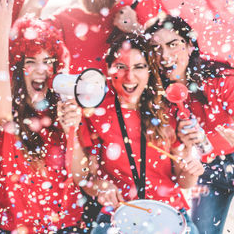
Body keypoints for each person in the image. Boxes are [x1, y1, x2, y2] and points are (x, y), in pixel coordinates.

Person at [0, 0, 84, 232]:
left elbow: (80, 176)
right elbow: (3, 108)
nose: (41, 70)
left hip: (66, 227)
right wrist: (1, 32)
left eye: (48, 61)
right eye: (31, 61)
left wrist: (74, 129)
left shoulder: (64, 107)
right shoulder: (6, 112)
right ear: (17, 68)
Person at [76, 34, 203, 233]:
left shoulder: (169, 110)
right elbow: (88, 178)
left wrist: (190, 169)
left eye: (139, 67)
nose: (130, 77)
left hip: (169, 213)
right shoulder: (96, 113)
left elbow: (183, 181)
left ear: (150, 70)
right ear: (110, 70)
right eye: (121, 66)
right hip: (119, 214)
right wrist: (100, 186)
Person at [146, 14, 234, 234]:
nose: (164, 55)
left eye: (173, 44)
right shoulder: (159, 100)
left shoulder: (221, 79)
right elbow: (182, 163)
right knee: (201, 230)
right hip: (207, 172)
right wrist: (185, 147)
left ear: (190, 46)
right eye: (156, 49)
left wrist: (212, 139)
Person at [39, 0, 165, 74]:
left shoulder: (145, 5)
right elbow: (23, 34)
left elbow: (167, 63)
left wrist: (136, 29)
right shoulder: (62, 20)